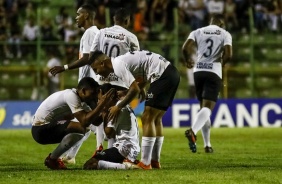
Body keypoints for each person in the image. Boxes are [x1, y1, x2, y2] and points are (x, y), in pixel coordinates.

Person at [50, 7, 140, 163]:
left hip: (103, 81)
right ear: (127, 20)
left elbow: (90, 57)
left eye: (79, 14)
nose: (76, 17)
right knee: (116, 116)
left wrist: (91, 75)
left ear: (113, 19)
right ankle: (111, 151)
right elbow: (136, 61)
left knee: (103, 116)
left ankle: (100, 149)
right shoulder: (131, 37)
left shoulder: (100, 32)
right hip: (121, 81)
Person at [88, 50, 180, 170]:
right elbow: (141, 79)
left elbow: (135, 89)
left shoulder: (117, 65)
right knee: (156, 119)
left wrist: (118, 106)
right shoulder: (121, 62)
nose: (97, 73)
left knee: (147, 117)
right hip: (170, 73)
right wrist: (131, 91)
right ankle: (154, 161)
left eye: (96, 69)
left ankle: (145, 163)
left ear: (102, 63)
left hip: (161, 75)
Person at [48, 4, 99, 164]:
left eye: (79, 14)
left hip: (89, 87)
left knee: (91, 122)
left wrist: (64, 67)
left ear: (87, 16)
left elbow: (87, 58)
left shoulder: (91, 33)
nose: (76, 17)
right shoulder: (92, 33)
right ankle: (71, 156)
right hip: (89, 85)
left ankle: (105, 150)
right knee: (88, 122)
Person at [31, 77, 116, 170]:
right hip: (40, 129)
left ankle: (64, 157)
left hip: (51, 127)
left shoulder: (83, 102)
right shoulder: (71, 96)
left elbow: (96, 121)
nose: (94, 96)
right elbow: (85, 121)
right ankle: (53, 159)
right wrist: (102, 104)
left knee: (86, 129)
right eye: (93, 93)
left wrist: (106, 107)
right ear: (83, 91)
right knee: (82, 128)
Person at [182, 14, 232, 153]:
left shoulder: (198, 31)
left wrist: (188, 60)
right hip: (213, 72)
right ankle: (193, 131)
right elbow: (229, 54)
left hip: (198, 72)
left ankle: (207, 145)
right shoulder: (224, 33)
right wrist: (222, 64)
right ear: (221, 24)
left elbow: (185, 48)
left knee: (204, 109)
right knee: (208, 108)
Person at [83, 83, 140, 170]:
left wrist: (103, 111)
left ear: (107, 97)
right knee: (92, 162)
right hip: (128, 148)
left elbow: (108, 134)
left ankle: (127, 166)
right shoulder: (120, 104)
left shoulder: (116, 108)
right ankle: (126, 163)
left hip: (124, 149)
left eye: (100, 100)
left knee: (90, 164)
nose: (99, 102)